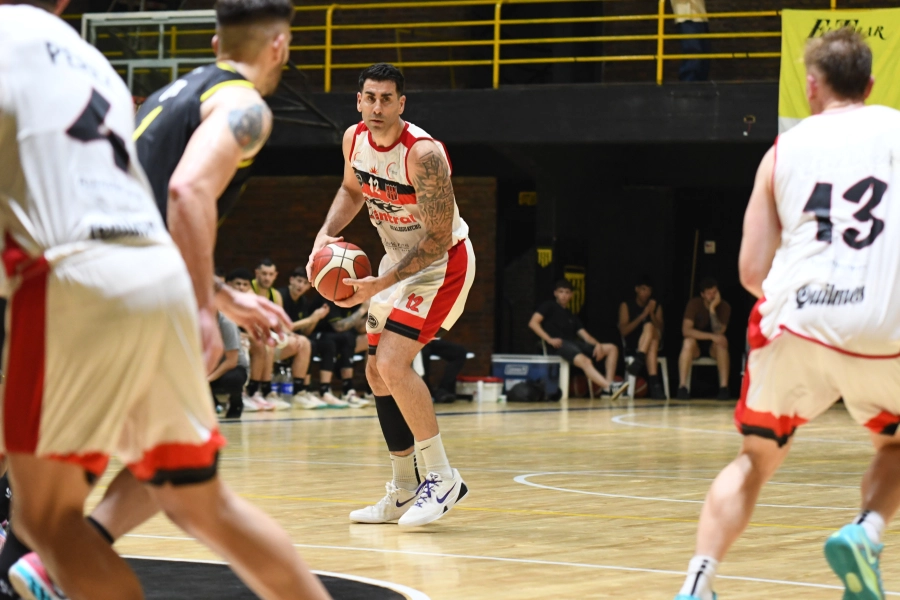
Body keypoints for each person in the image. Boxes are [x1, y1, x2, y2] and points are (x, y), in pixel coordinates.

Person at [0, 1, 330, 598]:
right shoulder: (92, 64)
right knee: (203, 504)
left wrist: (212, 299)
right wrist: (209, 301)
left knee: (44, 520)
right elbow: (176, 198)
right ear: (280, 46)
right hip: (151, 277)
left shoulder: (164, 96)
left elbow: (176, 190)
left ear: (213, 43)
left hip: (75, 279)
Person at [674, 29, 900, 600]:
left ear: (811, 85)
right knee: (896, 444)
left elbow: (751, 272)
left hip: (795, 319)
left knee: (755, 458)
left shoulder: (783, 150)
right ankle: (867, 531)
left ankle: (698, 581)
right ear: (870, 84)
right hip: (882, 325)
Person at [308, 63, 474, 527]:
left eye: (387, 98)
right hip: (395, 264)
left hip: (442, 265)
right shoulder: (353, 140)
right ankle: (403, 488)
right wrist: (324, 236)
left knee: (392, 364)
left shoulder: (423, 155)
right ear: (358, 101)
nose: (377, 106)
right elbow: (350, 189)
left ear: (402, 104)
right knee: (375, 374)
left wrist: (380, 284)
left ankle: (441, 477)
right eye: (370, 97)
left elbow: (439, 238)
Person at [529, 280, 624, 399]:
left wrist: (598, 345)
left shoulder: (571, 315)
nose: (564, 295)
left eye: (567, 292)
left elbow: (586, 336)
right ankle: (609, 387)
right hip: (556, 345)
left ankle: (607, 389)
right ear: (555, 293)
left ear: (571, 295)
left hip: (572, 345)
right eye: (561, 292)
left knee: (612, 348)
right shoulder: (549, 306)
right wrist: (549, 339)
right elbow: (533, 323)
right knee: (586, 361)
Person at [676, 277, 731, 400]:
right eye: (709, 293)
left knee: (722, 342)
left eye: (714, 292)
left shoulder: (724, 306)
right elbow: (686, 331)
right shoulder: (694, 304)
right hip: (696, 346)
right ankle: (683, 387)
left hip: (713, 348)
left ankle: (723, 388)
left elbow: (719, 331)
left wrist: (712, 309)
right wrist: (711, 336)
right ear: (702, 294)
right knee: (687, 342)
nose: (712, 296)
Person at [619, 276, 666, 400]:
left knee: (651, 328)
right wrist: (643, 315)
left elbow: (661, 329)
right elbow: (624, 331)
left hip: (651, 339)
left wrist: (651, 313)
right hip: (634, 340)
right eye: (643, 289)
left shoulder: (656, 305)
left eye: (649, 290)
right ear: (637, 289)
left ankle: (638, 360)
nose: (646, 293)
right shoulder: (626, 305)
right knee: (652, 342)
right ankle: (655, 386)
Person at [210, 311, 250, 419]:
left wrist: (207, 379)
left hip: (233, 367)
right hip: (210, 367)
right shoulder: (196, 322)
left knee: (232, 379)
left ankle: (236, 402)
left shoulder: (226, 323)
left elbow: (231, 361)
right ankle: (213, 403)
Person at [671, 0, 710, 81]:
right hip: (686, 16)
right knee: (693, 50)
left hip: (701, 16)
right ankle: (689, 82)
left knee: (704, 52)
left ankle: (700, 81)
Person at [421, 338, 469, 404]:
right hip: (414, 341)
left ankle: (444, 390)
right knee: (423, 354)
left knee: (460, 352)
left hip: (429, 339)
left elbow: (442, 329)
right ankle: (427, 392)